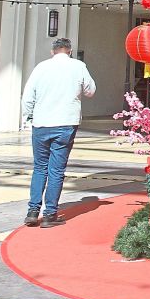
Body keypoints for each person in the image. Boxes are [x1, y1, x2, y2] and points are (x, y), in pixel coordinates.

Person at [21, 38, 96, 228]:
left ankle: (32, 211)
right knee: (56, 170)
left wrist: (28, 117)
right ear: (70, 51)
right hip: (66, 123)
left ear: (52, 51)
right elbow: (90, 91)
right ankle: (50, 214)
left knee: (40, 168)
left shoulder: (41, 67)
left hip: (42, 123)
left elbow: (28, 95)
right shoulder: (78, 66)